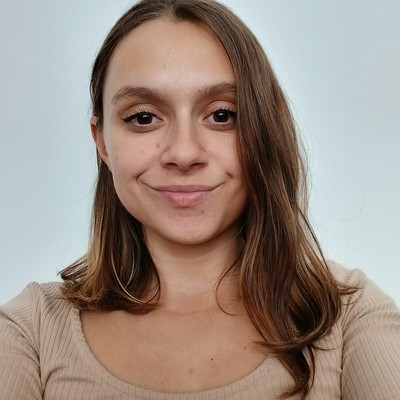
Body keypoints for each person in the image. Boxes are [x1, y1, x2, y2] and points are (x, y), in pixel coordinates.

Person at [1, 0, 399, 399]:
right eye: (143, 117)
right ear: (102, 141)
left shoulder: (350, 317)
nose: (184, 153)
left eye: (222, 115)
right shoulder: (30, 332)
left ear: (264, 130)